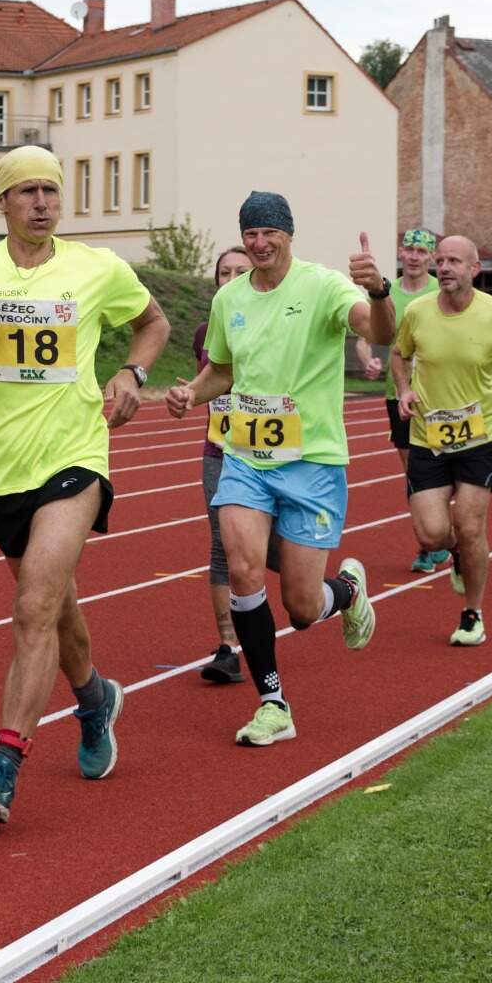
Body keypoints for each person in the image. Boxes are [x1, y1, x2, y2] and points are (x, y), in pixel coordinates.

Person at [0, 145, 170, 822]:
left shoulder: (97, 268)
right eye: (26, 191)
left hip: (76, 455)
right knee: (55, 607)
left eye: (50, 191)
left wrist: (131, 374)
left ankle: (4, 763)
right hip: (2, 470)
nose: (41, 202)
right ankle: (94, 700)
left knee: (32, 606)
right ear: (2, 203)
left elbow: (153, 322)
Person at [166, 193, 390, 747]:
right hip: (244, 457)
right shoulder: (229, 299)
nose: (260, 243)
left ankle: (348, 593)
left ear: (289, 234)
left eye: (270, 233)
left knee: (303, 606)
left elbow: (380, 333)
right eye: (251, 234)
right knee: (241, 568)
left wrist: (378, 290)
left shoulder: (323, 285)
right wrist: (191, 393)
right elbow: (221, 370)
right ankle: (272, 703)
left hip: (311, 462)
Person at [388, 235, 492, 646]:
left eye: (453, 261)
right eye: (439, 260)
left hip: (479, 435)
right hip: (428, 434)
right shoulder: (417, 312)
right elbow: (398, 354)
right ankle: (457, 554)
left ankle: (472, 615)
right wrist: (405, 388)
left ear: (474, 269)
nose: (443, 268)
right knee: (432, 534)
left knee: (470, 525)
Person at [191, 246, 278, 685]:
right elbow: (210, 384)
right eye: (223, 272)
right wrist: (188, 393)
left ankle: (324, 590)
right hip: (220, 451)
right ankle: (228, 645)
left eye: (239, 271)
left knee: (275, 548)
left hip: (273, 451)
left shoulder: (277, 319)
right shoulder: (207, 330)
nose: (230, 278)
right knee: (222, 544)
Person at [358, 228, 448, 572]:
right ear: (400, 252)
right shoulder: (386, 291)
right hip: (400, 396)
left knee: (441, 472)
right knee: (415, 473)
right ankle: (428, 543)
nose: (413, 256)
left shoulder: (442, 290)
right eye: (408, 249)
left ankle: (441, 531)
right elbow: (366, 337)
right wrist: (370, 361)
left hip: (442, 396)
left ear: (431, 258)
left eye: (420, 251)